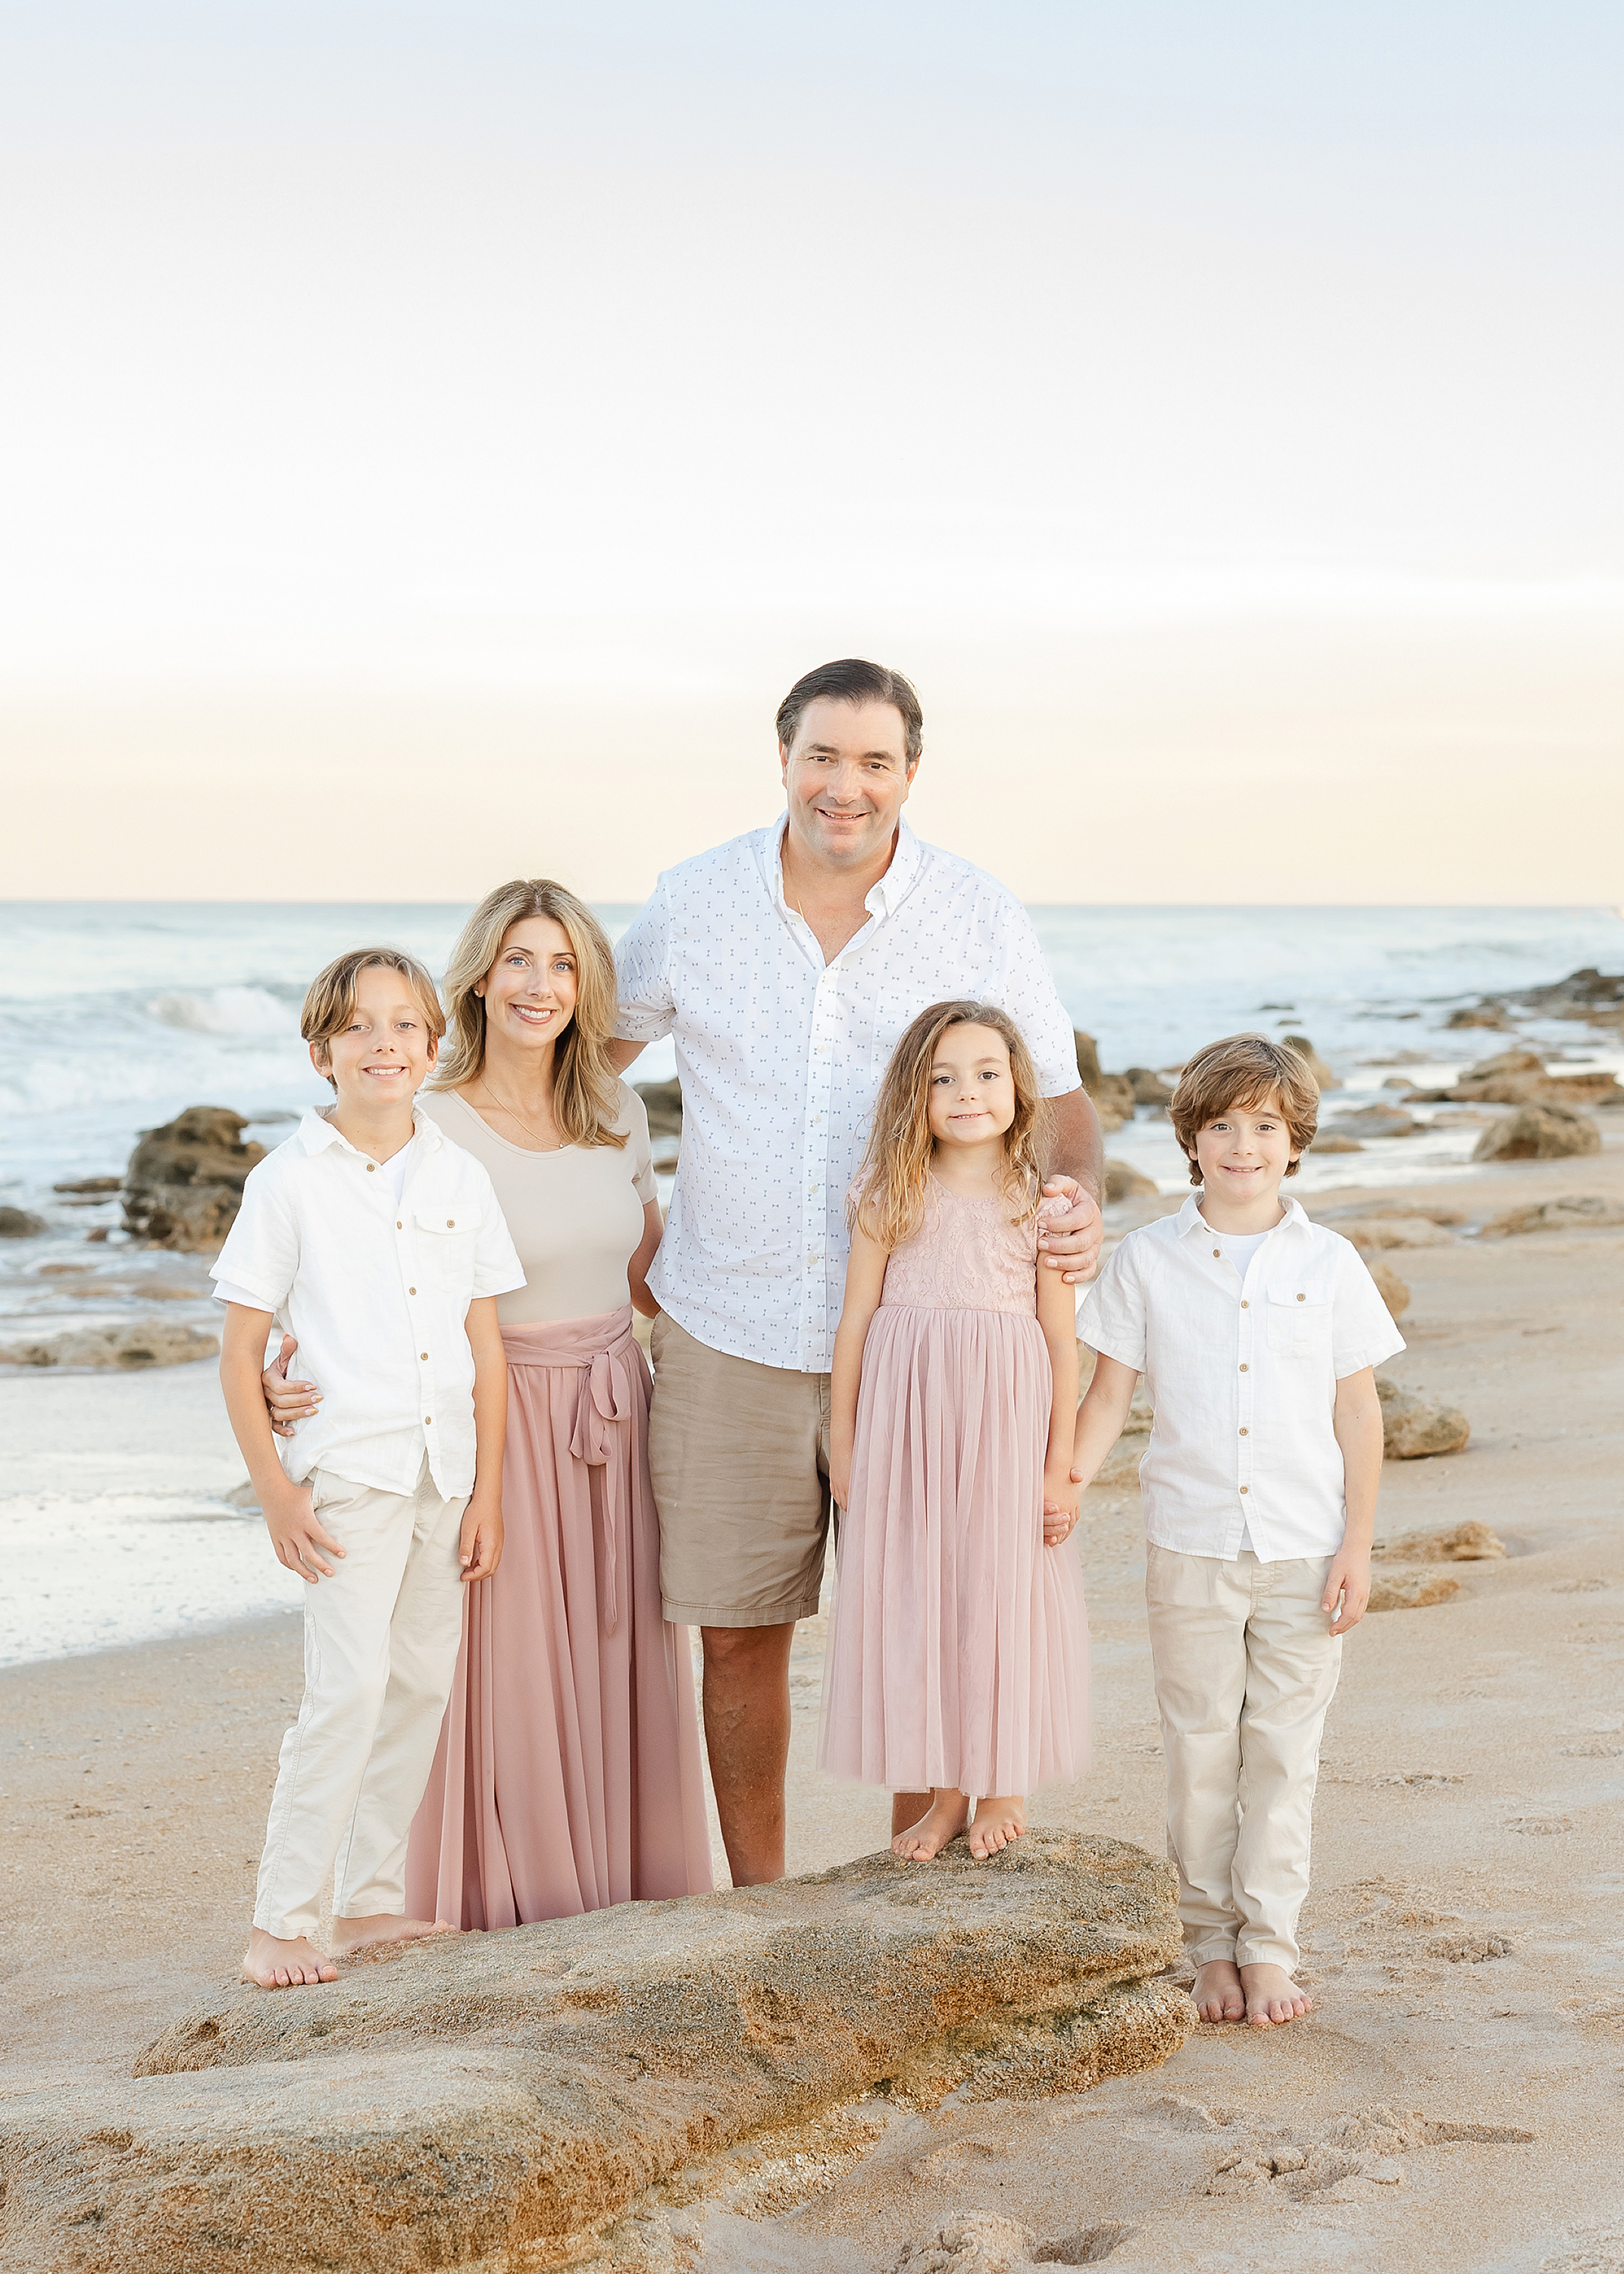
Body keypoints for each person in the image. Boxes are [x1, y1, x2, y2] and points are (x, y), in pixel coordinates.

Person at [609, 657, 1105, 1886]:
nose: (845, 786)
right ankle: (762, 1908)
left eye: (873, 762)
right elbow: (578, 1070)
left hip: (931, 1343)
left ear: (909, 775)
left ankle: (911, 1891)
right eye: (822, 757)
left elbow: (1066, 1103)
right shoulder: (694, 900)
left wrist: (1072, 1203)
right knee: (735, 1636)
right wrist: (609, 1222)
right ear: (781, 760)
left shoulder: (974, 912)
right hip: (730, 1325)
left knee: (930, 1629)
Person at [1067, 1034, 1401, 2028]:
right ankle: (1207, 1943)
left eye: (1263, 1126)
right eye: (1221, 1125)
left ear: (1293, 1142)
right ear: (1190, 1139)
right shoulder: (1145, 1262)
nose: (1242, 1145)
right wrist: (1065, 1485)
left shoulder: (1329, 1264)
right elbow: (1104, 1399)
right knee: (1200, 1752)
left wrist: (1357, 1544)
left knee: (1284, 1755)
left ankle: (1269, 1949)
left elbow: (1357, 1414)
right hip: (1189, 1544)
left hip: (1304, 1549)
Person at [402, 879, 712, 1925]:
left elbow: (650, 1273)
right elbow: (371, 1275)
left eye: (565, 964)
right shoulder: (429, 1122)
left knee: (618, 1647)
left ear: (589, 988)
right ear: (481, 976)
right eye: (521, 961)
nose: (541, 985)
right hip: (502, 1416)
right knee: (511, 1668)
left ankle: (623, 1889)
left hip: (619, 1406)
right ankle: (515, 1898)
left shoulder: (612, 1110)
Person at [214, 948, 524, 1990]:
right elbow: (238, 1347)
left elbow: (485, 1345)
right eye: (357, 1026)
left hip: (447, 1472)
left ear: (433, 1050)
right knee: (343, 1691)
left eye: (402, 1025)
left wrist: (489, 1492)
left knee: (418, 1686)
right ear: (321, 1053)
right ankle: (281, 1921)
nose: (381, 1042)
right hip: (347, 1473)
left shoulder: (460, 1177)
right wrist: (275, 1493)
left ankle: (369, 1901)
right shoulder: (288, 1182)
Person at [818, 1002, 1090, 1860]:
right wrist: (844, 1442)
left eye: (985, 1074)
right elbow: (856, 1321)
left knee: (998, 1591)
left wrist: (1060, 1468)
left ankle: (1001, 1783)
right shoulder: (888, 1190)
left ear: (1018, 1086)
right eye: (942, 1078)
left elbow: (1059, 1340)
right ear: (915, 1093)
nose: (965, 1093)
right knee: (926, 1598)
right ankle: (943, 1793)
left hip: (1004, 1417)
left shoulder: (1039, 1201)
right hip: (908, 1421)